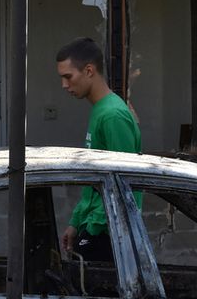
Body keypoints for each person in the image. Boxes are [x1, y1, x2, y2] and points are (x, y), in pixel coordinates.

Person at [56, 37, 141, 262]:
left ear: (89, 71)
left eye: (68, 77)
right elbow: (96, 181)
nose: (64, 85)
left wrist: (92, 229)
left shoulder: (112, 115)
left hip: (110, 230)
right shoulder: (101, 111)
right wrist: (77, 222)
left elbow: (124, 182)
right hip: (98, 225)